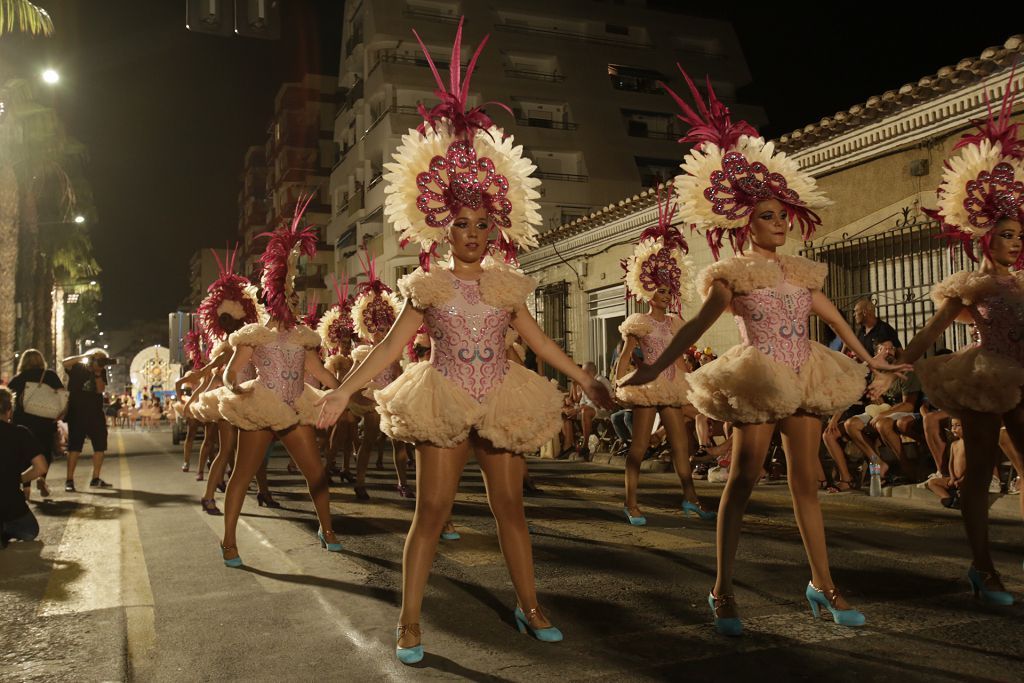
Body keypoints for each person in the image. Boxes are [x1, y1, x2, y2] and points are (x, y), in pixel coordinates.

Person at [314, 19, 613, 664]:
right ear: (442, 227)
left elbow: (534, 341)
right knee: (433, 512)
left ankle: (530, 604)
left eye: (482, 223)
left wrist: (583, 378)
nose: (473, 233)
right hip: (445, 396)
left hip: (502, 396)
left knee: (511, 509)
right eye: (462, 224)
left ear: (493, 227)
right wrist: (340, 392)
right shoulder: (427, 286)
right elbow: (391, 350)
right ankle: (410, 619)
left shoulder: (508, 285)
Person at [622, 68, 908, 635]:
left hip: (804, 373)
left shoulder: (802, 272)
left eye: (782, 215)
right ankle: (722, 589)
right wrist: (653, 366)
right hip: (757, 376)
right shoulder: (732, 273)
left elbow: (834, 320)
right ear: (745, 222)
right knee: (744, 479)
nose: (778, 223)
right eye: (766, 216)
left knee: (808, 479)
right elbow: (693, 330)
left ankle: (822, 584)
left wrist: (870, 359)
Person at [870, 75, 1024, 606]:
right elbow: (931, 333)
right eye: (1006, 234)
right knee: (979, 473)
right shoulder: (969, 285)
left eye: (1020, 234)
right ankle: (984, 566)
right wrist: (893, 365)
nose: (1015, 243)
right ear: (986, 237)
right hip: (987, 377)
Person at [217, 195, 342, 567]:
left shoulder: (303, 337)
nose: (289, 295)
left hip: (295, 405)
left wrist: (347, 388)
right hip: (262, 405)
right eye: (284, 290)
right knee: (242, 474)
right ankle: (228, 540)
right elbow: (232, 370)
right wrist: (234, 386)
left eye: (292, 290)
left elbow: (320, 374)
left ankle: (327, 528)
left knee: (316, 472)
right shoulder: (254, 335)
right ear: (272, 297)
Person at [615, 187, 711, 524]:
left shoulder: (675, 323)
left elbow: (681, 360)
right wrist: (619, 382)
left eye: (669, 290)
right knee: (639, 448)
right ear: (647, 289)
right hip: (647, 388)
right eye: (660, 289)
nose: (665, 295)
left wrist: (693, 385)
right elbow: (626, 357)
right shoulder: (638, 322)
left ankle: (690, 498)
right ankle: (630, 502)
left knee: (681, 446)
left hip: (672, 386)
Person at [345, 252, 403, 500]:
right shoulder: (363, 352)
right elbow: (351, 376)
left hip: (391, 397)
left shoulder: (394, 350)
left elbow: (398, 374)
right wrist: (346, 393)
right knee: (368, 441)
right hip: (371, 400)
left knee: (399, 443)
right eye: (376, 328)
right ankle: (359, 481)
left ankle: (403, 483)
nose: (380, 332)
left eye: (384, 328)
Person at [7, 349, 64, 499]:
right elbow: (62, 395)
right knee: (45, 451)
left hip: (23, 422)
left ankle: (26, 489)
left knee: (25, 454)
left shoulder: (18, 379)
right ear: (41, 361)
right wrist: (60, 414)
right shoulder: (50, 376)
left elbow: (9, 399)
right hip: (45, 421)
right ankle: (42, 478)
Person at [1, 387, 47, 547]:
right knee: (30, 531)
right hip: (10, 504)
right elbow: (41, 467)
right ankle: (5, 530)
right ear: (9, 411)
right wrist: (18, 479)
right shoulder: (20, 433)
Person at [62, 348, 113, 492]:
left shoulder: (101, 371)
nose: (101, 363)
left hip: (95, 412)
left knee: (100, 444)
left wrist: (97, 373)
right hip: (77, 411)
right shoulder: (78, 366)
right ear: (92, 358)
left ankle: (95, 478)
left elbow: (100, 390)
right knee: (75, 446)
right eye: (99, 359)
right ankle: (69, 480)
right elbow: (64, 363)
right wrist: (84, 356)